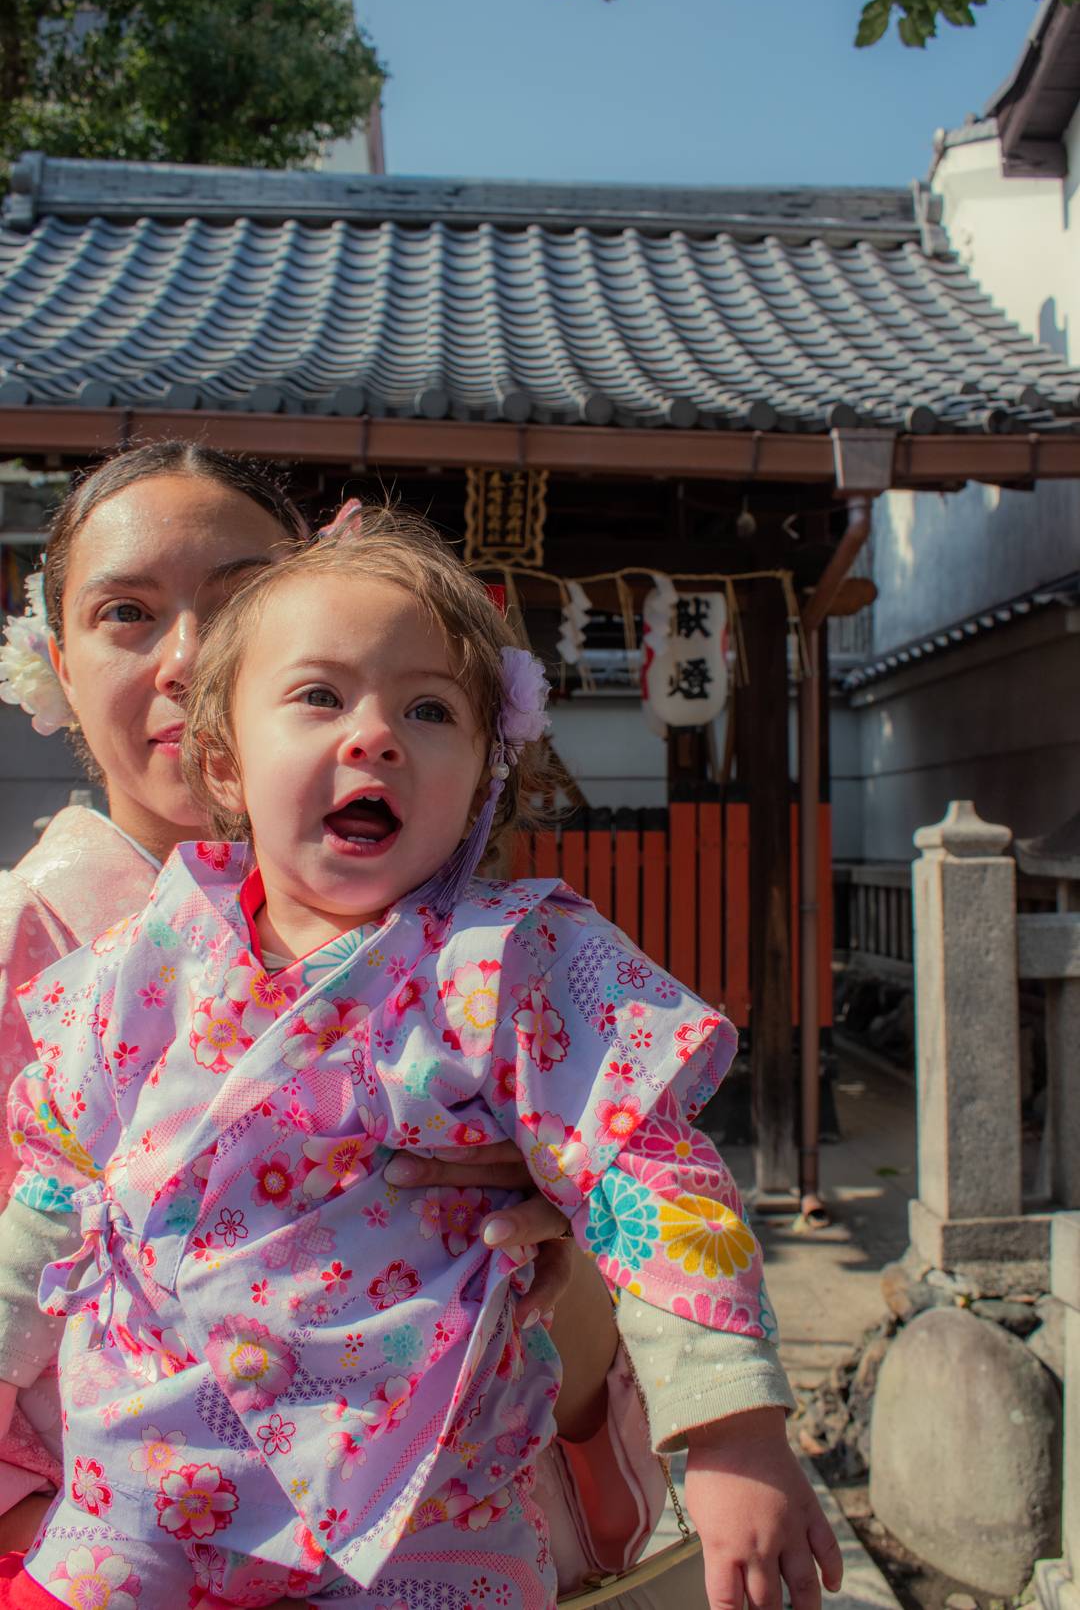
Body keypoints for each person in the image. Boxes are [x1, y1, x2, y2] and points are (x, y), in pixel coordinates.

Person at [7, 511, 840, 1609]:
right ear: (223, 758)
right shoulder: (141, 963)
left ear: (486, 773)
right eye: (318, 696)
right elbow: (49, 1193)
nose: (375, 735)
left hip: (425, 1500)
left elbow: (647, 1171)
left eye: (430, 709)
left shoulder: (522, 964)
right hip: (148, 1477)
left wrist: (734, 1427)